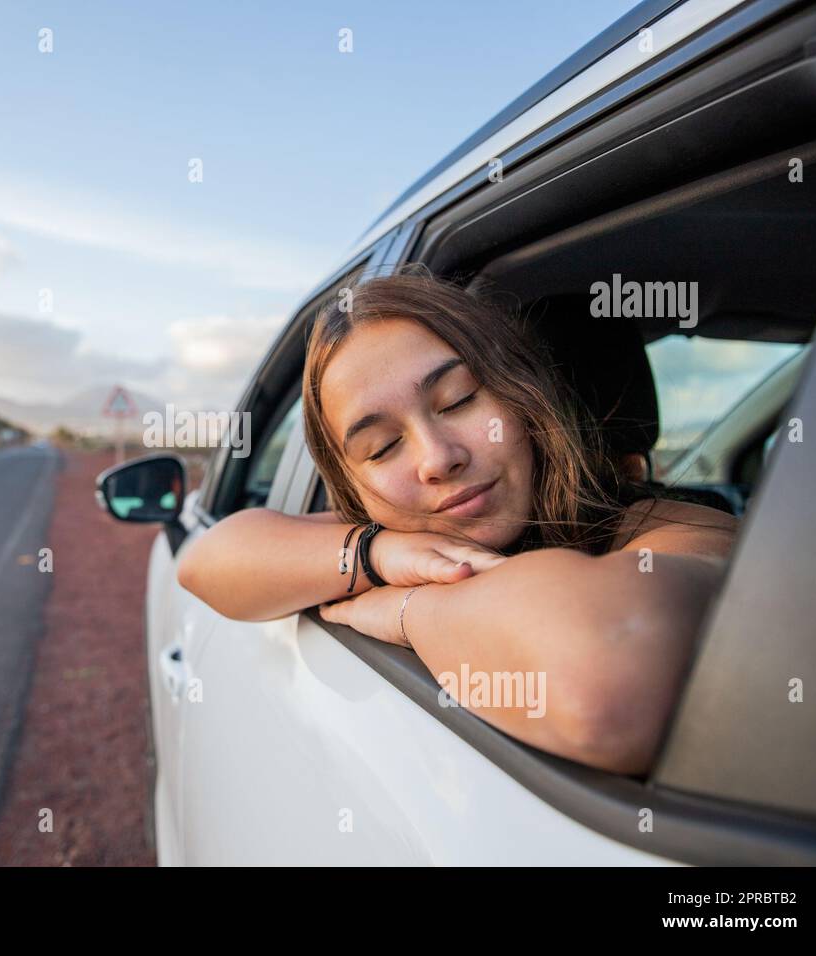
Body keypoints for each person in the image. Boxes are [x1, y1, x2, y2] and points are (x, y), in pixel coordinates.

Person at [176, 268, 738, 776]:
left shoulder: (674, 527)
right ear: (353, 491)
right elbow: (204, 562)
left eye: (459, 400)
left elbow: (604, 680)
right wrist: (379, 554)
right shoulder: (397, 537)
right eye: (382, 447)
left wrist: (404, 607)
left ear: (525, 395)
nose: (437, 458)